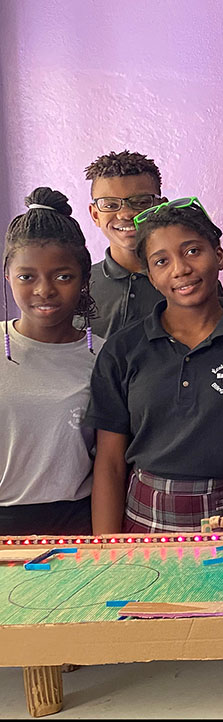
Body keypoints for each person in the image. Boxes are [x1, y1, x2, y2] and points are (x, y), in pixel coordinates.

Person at [85, 197, 223, 534]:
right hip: (142, 518)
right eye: (161, 261)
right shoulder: (123, 349)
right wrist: (107, 551)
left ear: (219, 256)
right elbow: (108, 463)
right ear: (151, 276)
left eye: (193, 251)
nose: (180, 269)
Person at [0, 188, 104, 535]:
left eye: (63, 276)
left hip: (77, 524)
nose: (44, 290)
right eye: (27, 277)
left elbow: (110, 461)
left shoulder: (103, 357)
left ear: (84, 280)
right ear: (8, 276)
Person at [84, 150, 169, 338]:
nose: (126, 214)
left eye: (141, 202)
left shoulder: (188, 281)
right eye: (110, 205)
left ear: (162, 207)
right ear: (95, 214)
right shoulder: (79, 286)